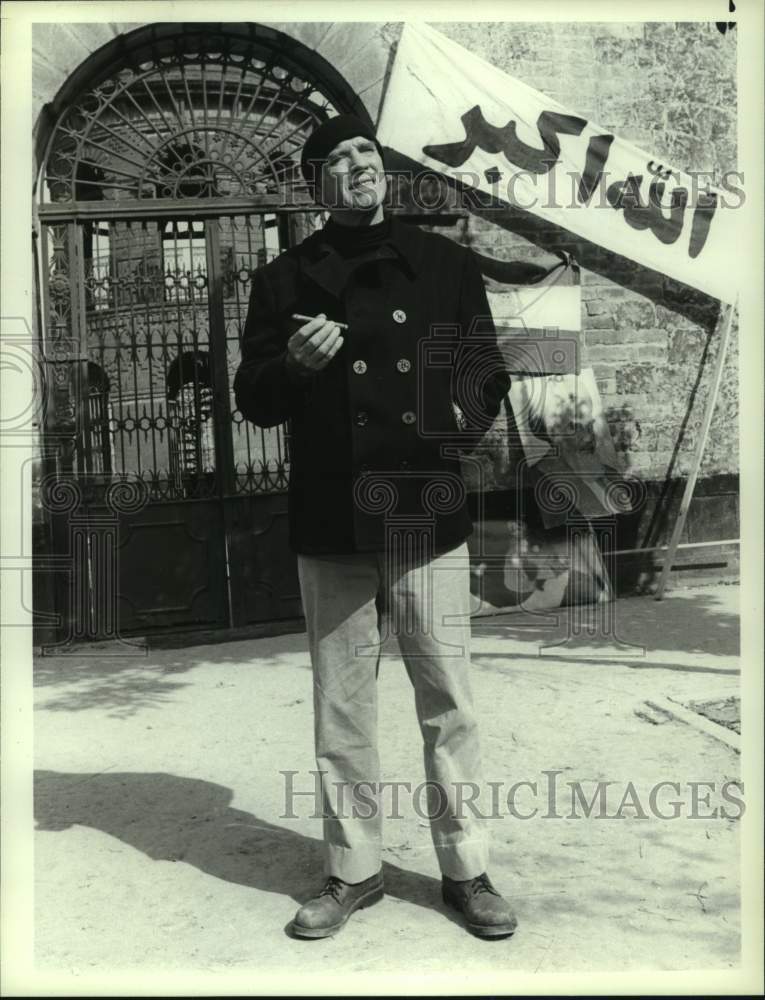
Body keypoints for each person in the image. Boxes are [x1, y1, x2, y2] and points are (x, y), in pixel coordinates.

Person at [233, 114, 517, 940]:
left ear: (383, 170)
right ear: (315, 182)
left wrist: (455, 419)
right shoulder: (282, 280)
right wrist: (295, 367)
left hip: (424, 509)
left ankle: (466, 871)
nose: (357, 164)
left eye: (366, 152)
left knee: (449, 702)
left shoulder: (445, 264)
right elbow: (251, 399)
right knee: (342, 707)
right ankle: (352, 872)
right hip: (331, 516)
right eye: (337, 158)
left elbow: (485, 370)